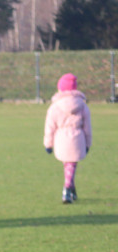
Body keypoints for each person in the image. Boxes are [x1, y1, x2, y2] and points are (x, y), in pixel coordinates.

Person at [44, 72, 91, 205]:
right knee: (71, 163)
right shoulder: (83, 106)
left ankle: (69, 189)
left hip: (61, 138)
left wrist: (48, 144)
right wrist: (88, 143)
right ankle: (70, 188)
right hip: (77, 138)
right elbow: (87, 127)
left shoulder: (54, 107)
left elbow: (50, 127)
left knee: (68, 163)